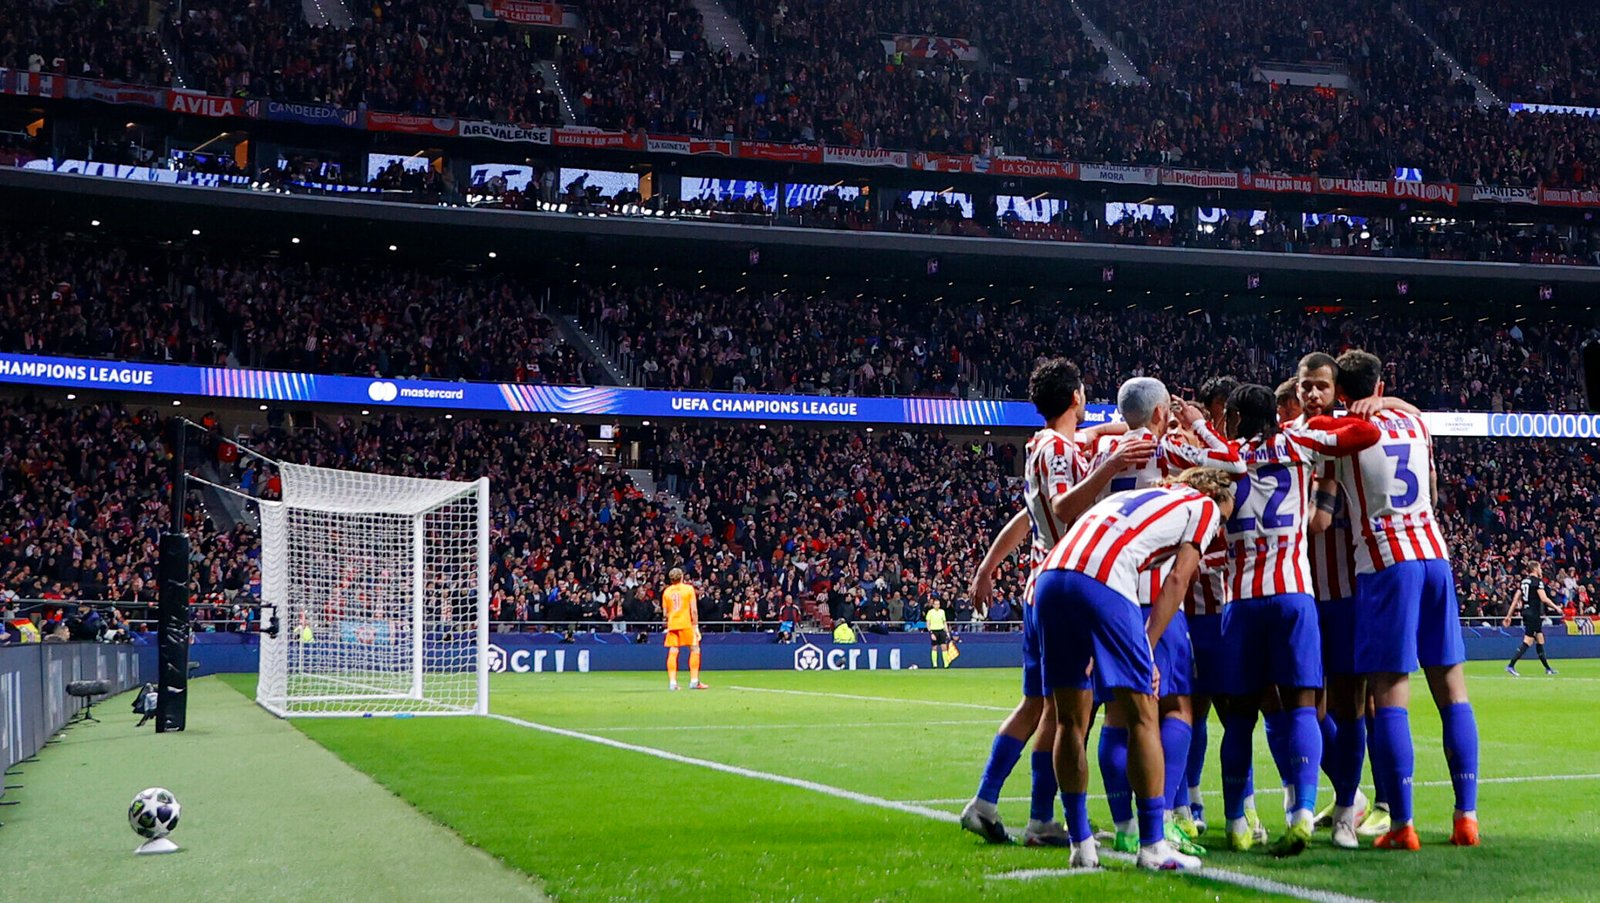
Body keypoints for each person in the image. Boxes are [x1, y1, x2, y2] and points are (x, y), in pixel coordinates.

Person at [961, 358, 1153, 848]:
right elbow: (1066, 507)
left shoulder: (1043, 445)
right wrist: (1110, 466)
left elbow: (1028, 517)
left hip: (1039, 586)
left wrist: (987, 567)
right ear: (1076, 398)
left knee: (1040, 706)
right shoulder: (1060, 451)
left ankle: (988, 802)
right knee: (1067, 713)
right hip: (1069, 590)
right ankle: (1043, 816)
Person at [1037, 467, 1235, 870]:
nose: (1220, 529)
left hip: (1050, 578)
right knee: (1143, 711)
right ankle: (1152, 844)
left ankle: (1081, 845)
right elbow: (1178, 580)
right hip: (1103, 578)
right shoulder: (1203, 506)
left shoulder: (1135, 499)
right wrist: (1146, 646)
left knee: (1069, 720)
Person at [1215, 383, 1380, 856]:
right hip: (1293, 594)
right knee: (1304, 705)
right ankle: (1305, 813)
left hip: (1242, 599)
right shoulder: (1298, 441)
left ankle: (1234, 823)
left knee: (1240, 720)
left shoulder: (1227, 455)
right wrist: (1327, 419)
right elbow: (1365, 434)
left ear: (1241, 418)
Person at [1087, 377, 1243, 858]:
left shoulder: (1104, 453)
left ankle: (1125, 825)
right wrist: (1193, 422)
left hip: (1105, 585)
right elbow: (1232, 465)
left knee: (1118, 714)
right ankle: (1167, 820)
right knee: (1175, 708)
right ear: (1160, 413)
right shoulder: (1170, 447)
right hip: (1154, 592)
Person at [1334, 349, 1480, 850]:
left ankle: (1403, 826)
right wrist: (1390, 399)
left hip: (1385, 562)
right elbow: (1434, 490)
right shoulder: (1415, 423)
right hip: (1435, 556)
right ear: (1381, 384)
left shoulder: (1341, 432)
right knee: (1453, 691)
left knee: (1389, 696)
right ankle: (1466, 817)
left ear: (1338, 391)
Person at [1505, 561, 1560, 676]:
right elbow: (1544, 598)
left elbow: (1515, 600)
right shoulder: (1537, 582)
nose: (1541, 570)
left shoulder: (1524, 582)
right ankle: (1511, 665)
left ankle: (1548, 669)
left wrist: (1509, 616)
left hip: (1526, 612)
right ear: (1535, 569)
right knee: (1528, 641)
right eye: (1539, 567)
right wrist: (1556, 607)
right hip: (1533, 614)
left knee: (1540, 639)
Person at [663, 568, 707, 690]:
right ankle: (694, 681)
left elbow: (665, 613)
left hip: (672, 624)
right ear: (681, 577)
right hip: (686, 623)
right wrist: (696, 626)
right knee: (694, 649)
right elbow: (693, 610)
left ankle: (672, 683)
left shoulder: (666, 592)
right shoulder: (688, 589)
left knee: (673, 651)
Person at [926, 600, 953, 666]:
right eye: (935, 604)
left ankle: (946, 663)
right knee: (934, 647)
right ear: (933, 605)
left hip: (941, 631)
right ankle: (934, 664)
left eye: (938, 604)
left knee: (944, 647)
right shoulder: (930, 612)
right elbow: (928, 623)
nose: (937, 606)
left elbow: (944, 622)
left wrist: (947, 632)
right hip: (934, 631)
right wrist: (931, 633)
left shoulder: (942, 612)